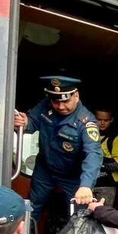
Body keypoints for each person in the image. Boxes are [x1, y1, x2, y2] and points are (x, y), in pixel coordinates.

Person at [13, 76, 102, 220]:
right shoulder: (45, 105)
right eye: (56, 101)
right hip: (45, 170)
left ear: (76, 96)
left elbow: (93, 154)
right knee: (31, 211)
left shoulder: (86, 122)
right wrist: (25, 122)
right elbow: (33, 120)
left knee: (79, 216)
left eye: (65, 101)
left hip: (73, 176)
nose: (60, 107)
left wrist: (86, 185)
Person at [93, 106, 118, 207]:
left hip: (107, 184)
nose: (102, 123)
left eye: (105, 120)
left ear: (111, 120)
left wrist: (97, 160)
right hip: (88, 183)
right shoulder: (87, 136)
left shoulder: (115, 139)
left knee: (104, 215)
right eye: (99, 119)